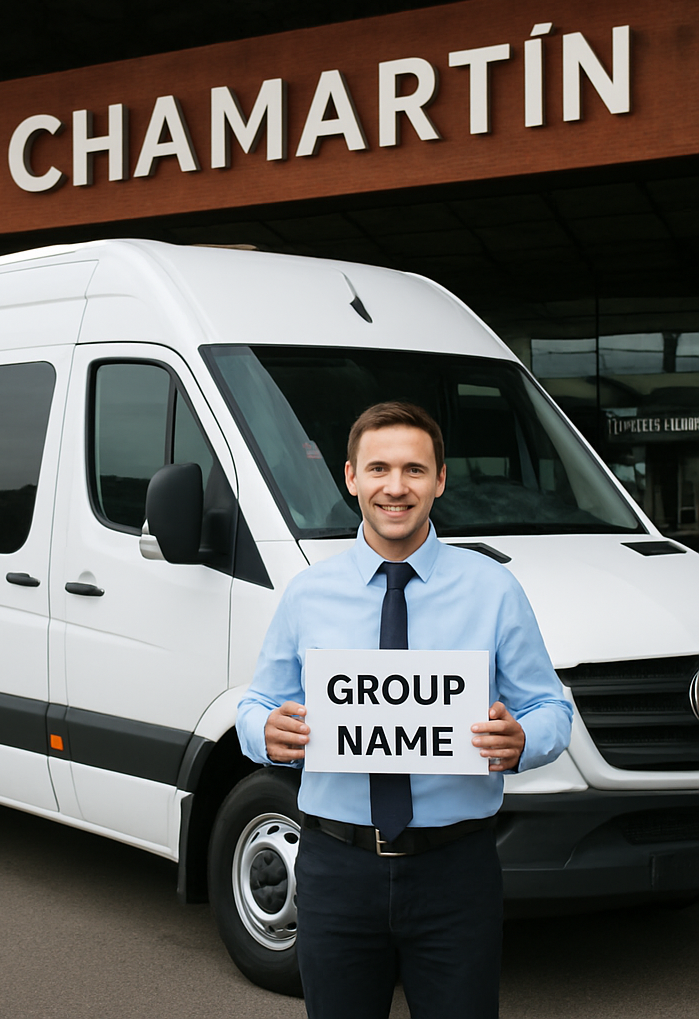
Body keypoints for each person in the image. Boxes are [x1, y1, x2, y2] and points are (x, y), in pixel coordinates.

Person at [236, 401, 572, 1019]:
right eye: (380, 469)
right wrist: (265, 730)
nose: (396, 487)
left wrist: (524, 739)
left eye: (415, 470)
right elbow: (256, 703)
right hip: (336, 867)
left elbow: (551, 706)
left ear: (440, 480)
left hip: (456, 869)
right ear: (351, 478)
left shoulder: (494, 589)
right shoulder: (309, 593)